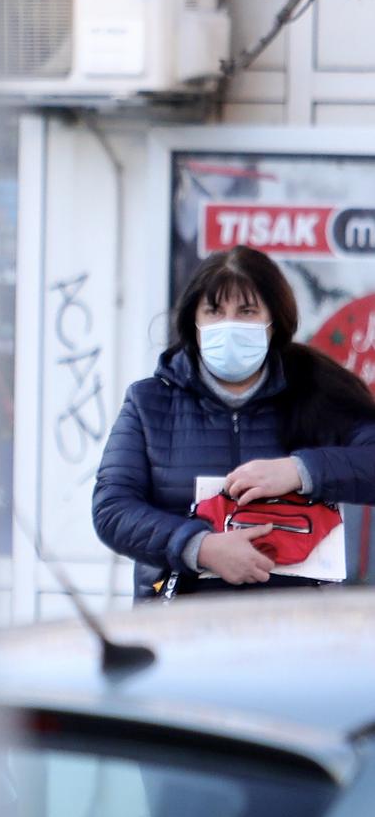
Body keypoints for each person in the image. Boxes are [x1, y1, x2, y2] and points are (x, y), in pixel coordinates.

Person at [93, 246, 375, 600]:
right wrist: (198, 547)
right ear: (194, 322)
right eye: (214, 311)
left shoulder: (318, 392)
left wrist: (302, 471)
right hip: (178, 618)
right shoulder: (149, 402)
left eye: (247, 311)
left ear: (274, 322)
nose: (229, 325)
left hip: (295, 619)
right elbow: (112, 509)